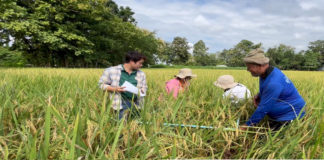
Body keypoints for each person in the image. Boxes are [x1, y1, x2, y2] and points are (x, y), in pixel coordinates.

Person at [241, 48, 306, 130]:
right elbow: (268, 88)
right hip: (280, 114)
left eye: (249, 67)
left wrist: (246, 126)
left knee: (264, 140)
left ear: (260, 65)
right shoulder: (267, 73)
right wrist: (260, 95)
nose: (248, 70)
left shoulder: (274, 83)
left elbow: (263, 108)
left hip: (290, 116)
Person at [98, 51, 147, 119]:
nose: (141, 65)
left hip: (137, 104)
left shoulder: (141, 74)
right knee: (122, 126)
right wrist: (114, 89)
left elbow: (144, 87)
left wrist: (142, 91)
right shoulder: (111, 70)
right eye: (140, 63)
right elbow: (101, 85)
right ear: (132, 61)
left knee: (136, 125)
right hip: (120, 103)